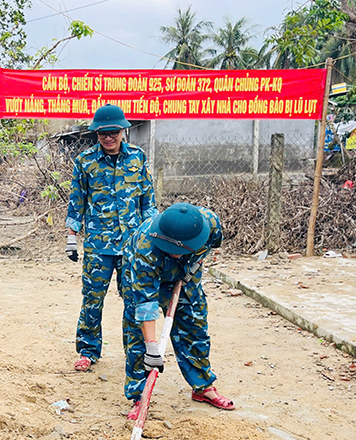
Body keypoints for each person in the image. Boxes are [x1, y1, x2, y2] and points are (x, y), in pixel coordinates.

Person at [65, 103, 156, 374]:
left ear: (122, 131)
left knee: (133, 300)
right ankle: (88, 350)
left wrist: (151, 235)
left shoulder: (137, 158)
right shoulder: (85, 162)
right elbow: (76, 201)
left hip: (132, 246)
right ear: (96, 133)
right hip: (98, 244)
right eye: (103, 133)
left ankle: (135, 352)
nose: (108, 138)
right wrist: (72, 236)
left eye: (113, 132)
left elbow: (148, 201)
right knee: (92, 298)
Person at [125, 202, 234, 420]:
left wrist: (194, 264)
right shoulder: (146, 247)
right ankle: (140, 396)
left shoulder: (210, 223)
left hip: (187, 276)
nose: (175, 254)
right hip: (144, 274)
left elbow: (212, 245)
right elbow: (145, 303)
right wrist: (152, 346)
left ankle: (202, 386)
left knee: (194, 326)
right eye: (172, 251)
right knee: (138, 336)